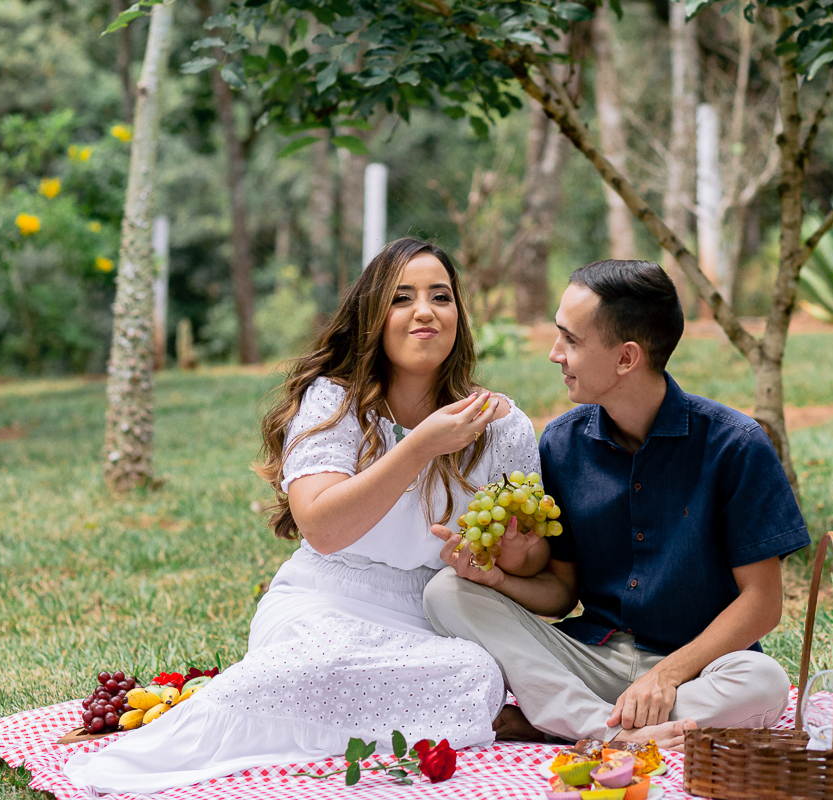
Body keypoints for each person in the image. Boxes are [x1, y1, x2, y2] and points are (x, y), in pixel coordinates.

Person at [64, 238, 541, 793]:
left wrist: (510, 556)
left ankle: (296, 717)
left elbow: (537, 563)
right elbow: (323, 528)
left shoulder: (501, 425)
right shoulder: (333, 401)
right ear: (372, 314)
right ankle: (224, 717)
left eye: (441, 296)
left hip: (432, 619)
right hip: (323, 604)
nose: (425, 312)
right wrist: (420, 446)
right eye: (401, 298)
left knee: (475, 672)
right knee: (319, 662)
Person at [424, 259, 810, 751]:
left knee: (764, 682)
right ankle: (609, 731)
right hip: (591, 657)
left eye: (571, 340)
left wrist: (667, 675)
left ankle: (564, 724)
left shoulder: (735, 445)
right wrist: (497, 580)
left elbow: (763, 603)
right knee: (446, 592)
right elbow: (561, 594)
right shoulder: (562, 444)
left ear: (626, 358)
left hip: (696, 669)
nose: (554, 353)